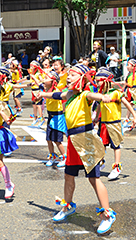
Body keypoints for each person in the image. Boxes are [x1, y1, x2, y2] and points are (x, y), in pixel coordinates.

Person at [37, 64, 117, 234]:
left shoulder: (84, 95)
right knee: (68, 175)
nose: (68, 78)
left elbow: (93, 95)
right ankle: (67, 206)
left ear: (81, 78)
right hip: (73, 141)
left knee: (94, 179)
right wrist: (42, 94)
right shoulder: (70, 94)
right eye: (69, 75)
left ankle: (107, 214)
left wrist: (103, 97)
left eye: (72, 75)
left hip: (86, 140)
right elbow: (57, 95)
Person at [94, 68, 136, 179]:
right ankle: (101, 162)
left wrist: (134, 116)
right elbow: (99, 106)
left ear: (105, 81)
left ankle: (117, 166)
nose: (97, 83)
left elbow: (127, 105)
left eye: (98, 81)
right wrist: (95, 118)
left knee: (115, 146)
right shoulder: (101, 94)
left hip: (114, 124)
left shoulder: (116, 93)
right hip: (103, 124)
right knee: (101, 144)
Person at [42, 71, 67, 167]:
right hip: (50, 116)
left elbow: (53, 96)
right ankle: (52, 156)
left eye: (46, 78)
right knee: (48, 139)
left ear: (53, 81)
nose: (44, 80)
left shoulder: (56, 91)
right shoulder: (47, 89)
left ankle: (64, 157)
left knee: (57, 140)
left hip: (57, 117)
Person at [121, 59, 136, 128]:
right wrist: (122, 89)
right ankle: (127, 118)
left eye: (128, 65)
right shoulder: (129, 74)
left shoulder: (135, 74)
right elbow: (126, 83)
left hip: (134, 91)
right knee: (129, 105)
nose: (127, 67)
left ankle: (129, 118)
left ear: (133, 66)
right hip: (130, 91)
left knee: (130, 104)